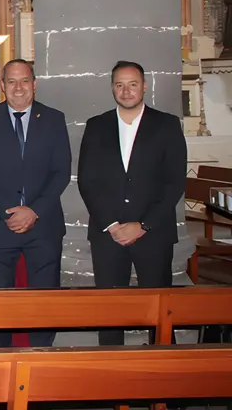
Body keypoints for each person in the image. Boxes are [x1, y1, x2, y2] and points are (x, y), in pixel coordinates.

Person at [79, 61, 187, 346]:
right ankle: (111, 372)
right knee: (110, 312)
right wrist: (113, 225)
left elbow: (174, 182)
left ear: (145, 86)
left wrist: (143, 224)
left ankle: (164, 369)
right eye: (119, 84)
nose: (126, 91)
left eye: (133, 84)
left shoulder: (166, 124)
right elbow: (87, 181)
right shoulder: (96, 125)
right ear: (112, 87)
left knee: (159, 309)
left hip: (153, 234)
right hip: (108, 235)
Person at [0, 59, 70, 348]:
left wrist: (33, 211)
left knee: (44, 301)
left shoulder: (53, 119)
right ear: (2, 86)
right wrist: (9, 213)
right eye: (12, 82)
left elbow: (61, 171)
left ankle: (42, 355)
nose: (18, 88)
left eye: (24, 81)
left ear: (34, 84)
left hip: (44, 226)